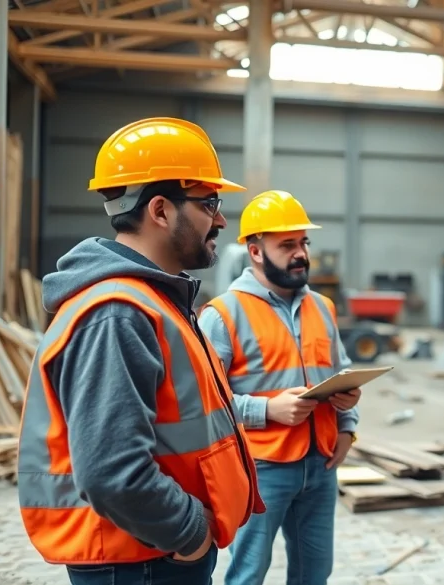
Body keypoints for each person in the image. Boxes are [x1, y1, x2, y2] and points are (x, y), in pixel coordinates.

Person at [16, 117, 263, 585]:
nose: (220, 220)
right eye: (210, 203)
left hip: (152, 552)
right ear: (161, 210)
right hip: (141, 560)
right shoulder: (118, 313)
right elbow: (112, 471)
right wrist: (190, 533)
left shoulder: (152, 301)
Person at [198, 190, 361, 585]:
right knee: (248, 574)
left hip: (321, 464)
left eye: (303, 242)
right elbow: (203, 405)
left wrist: (347, 424)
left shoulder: (323, 307)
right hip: (260, 467)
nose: (300, 253)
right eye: (287, 245)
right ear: (255, 252)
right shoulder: (222, 315)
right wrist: (267, 410)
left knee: (315, 573)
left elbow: (342, 370)